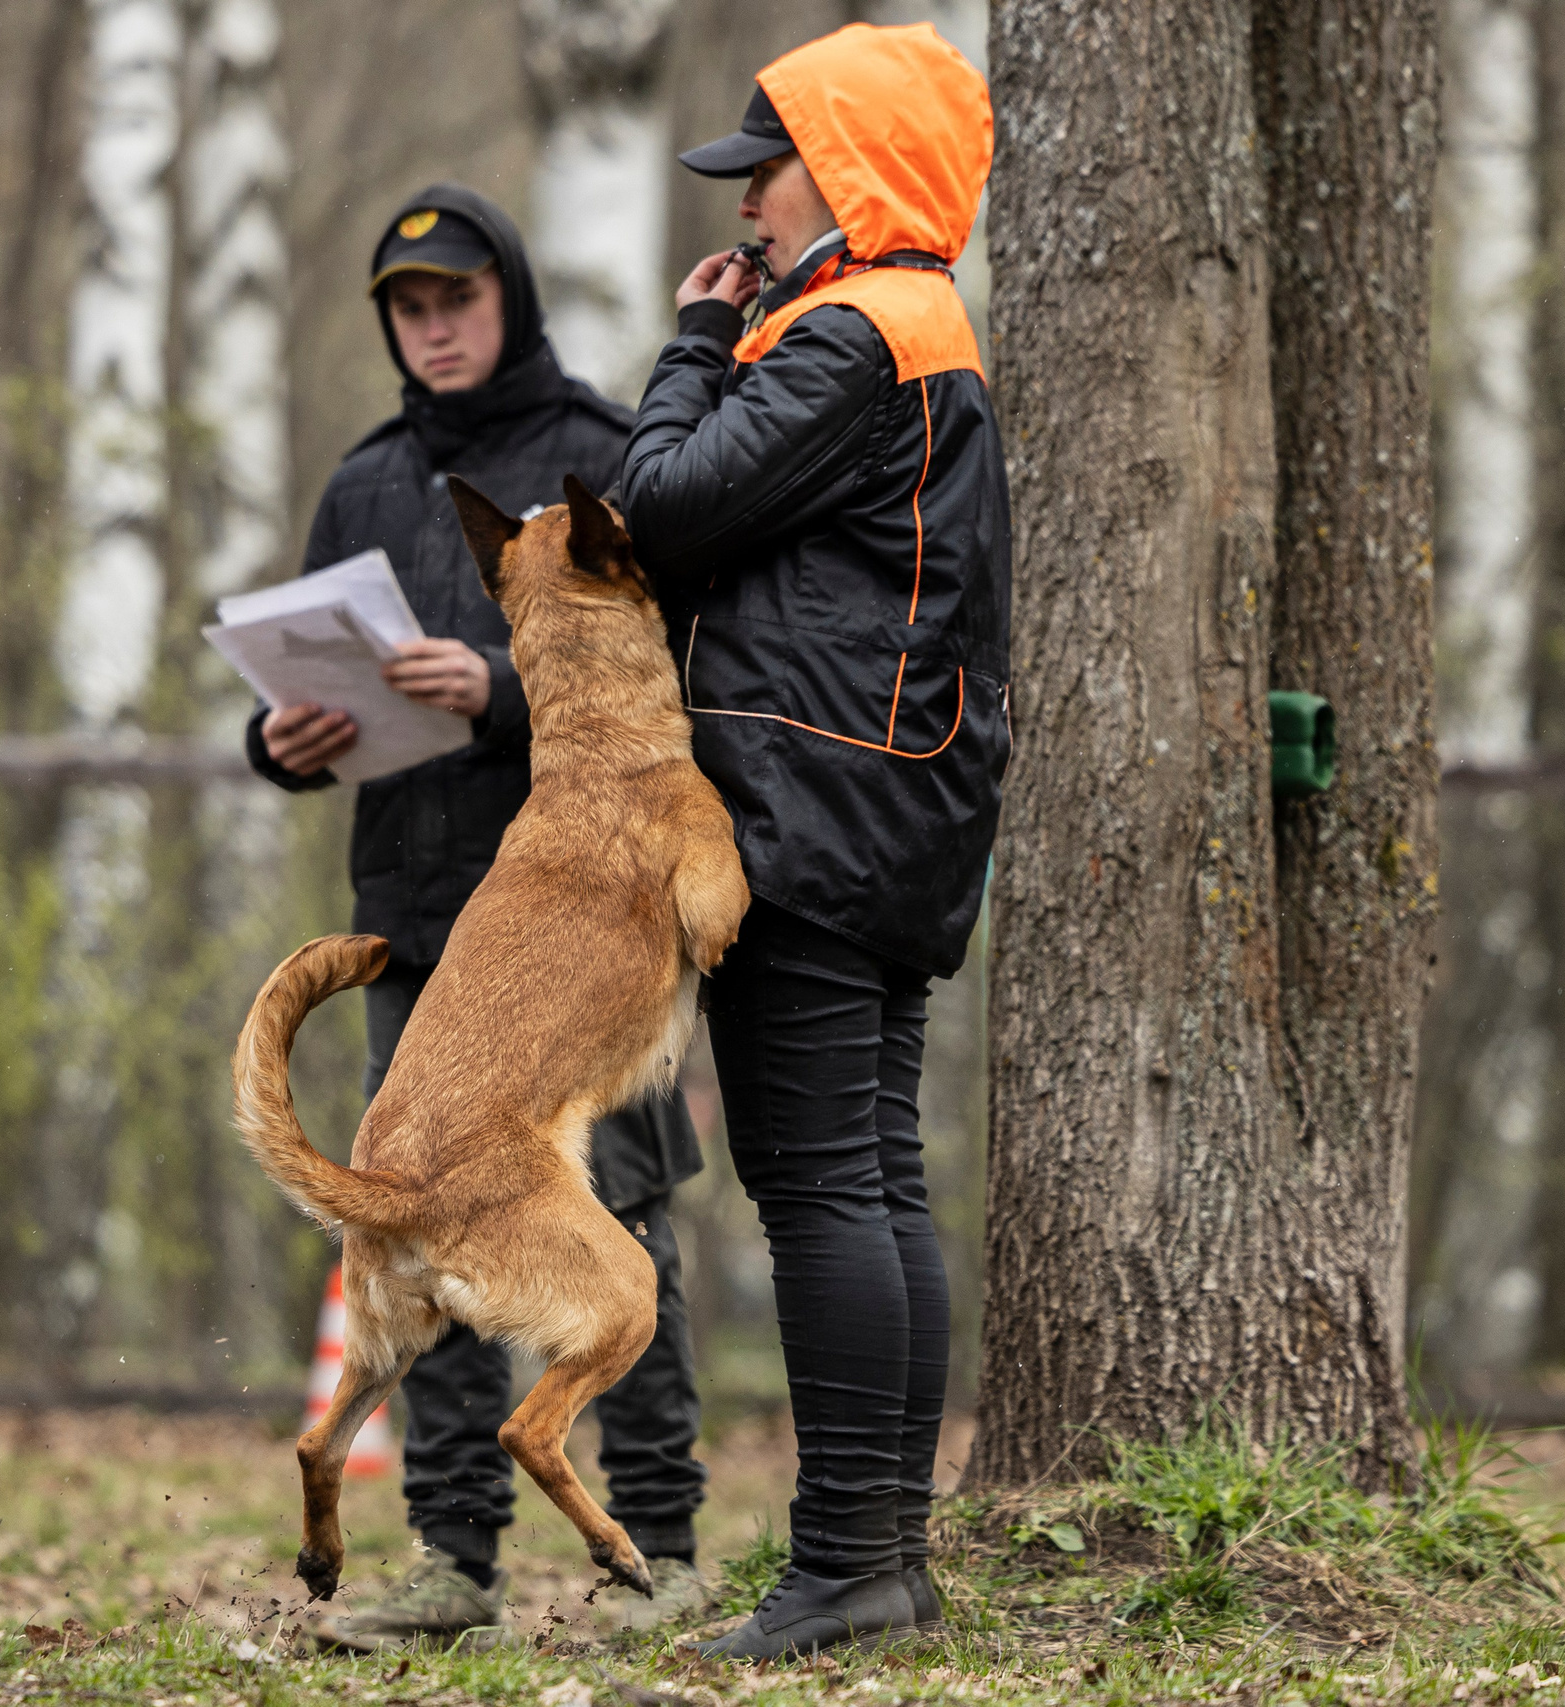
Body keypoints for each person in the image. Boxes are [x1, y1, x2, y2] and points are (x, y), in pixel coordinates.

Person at [246, 185, 713, 1648]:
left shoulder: (591, 454)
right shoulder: (366, 479)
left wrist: (495, 691)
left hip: (577, 925)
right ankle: (452, 1565)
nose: (433, 326)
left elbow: (649, 673)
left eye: (456, 299)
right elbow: (290, 694)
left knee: (623, 1224)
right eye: (408, 307)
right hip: (416, 915)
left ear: (507, 298)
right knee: (418, 1247)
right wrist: (282, 745)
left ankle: (671, 1549)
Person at [619, 24, 1009, 1660]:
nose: (750, 209)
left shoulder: (850, 333)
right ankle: (882, 1558)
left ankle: (847, 1564)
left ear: (844, 172)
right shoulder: (914, 328)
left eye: (763, 174)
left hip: (809, 813)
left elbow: (662, 504)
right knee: (869, 1184)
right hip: (883, 808)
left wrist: (696, 342)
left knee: (821, 1189)